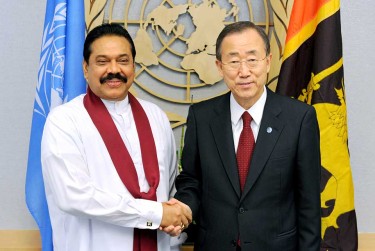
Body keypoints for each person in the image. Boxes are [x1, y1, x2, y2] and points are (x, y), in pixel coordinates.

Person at [41, 23, 191, 251]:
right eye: (102, 62)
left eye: (123, 61)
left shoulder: (156, 117)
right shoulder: (64, 120)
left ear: (133, 66)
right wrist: (156, 213)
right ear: (85, 68)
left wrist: (172, 219)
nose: (114, 69)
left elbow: (168, 188)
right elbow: (74, 196)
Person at [174, 21, 321, 250]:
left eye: (252, 60)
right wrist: (183, 208)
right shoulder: (201, 117)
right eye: (233, 61)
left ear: (268, 61)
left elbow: (309, 203)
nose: (244, 72)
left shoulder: (299, 119)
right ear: (220, 66)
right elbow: (192, 179)